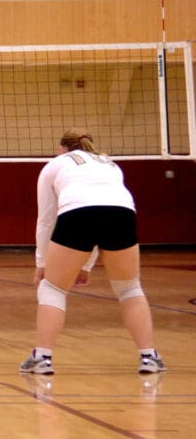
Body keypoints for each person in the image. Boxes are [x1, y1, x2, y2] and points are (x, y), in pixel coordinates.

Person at [20, 129, 165, 375]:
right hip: (122, 214)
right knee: (130, 288)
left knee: (52, 288)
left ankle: (43, 358)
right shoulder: (110, 164)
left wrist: (41, 263)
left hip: (78, 214)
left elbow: (46, 220)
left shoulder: (55, 165)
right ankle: (149, 356)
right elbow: (103, 213)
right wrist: (85, 266)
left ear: (61, 148)